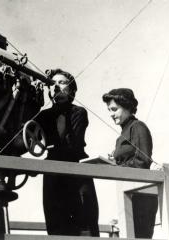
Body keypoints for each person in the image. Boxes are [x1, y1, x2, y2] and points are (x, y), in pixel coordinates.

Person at [35, 69, 99, 236]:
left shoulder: (78, 112)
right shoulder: (43, 116)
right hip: (53, 178)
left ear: (71, 90)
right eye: (52, 83)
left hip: (77, 175)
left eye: (62, 83)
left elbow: (74, 145)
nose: (56, 86)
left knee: (85, 226)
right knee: (56, 227)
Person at [102, 88, 158, 239]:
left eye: (114, 109)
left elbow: (143, 161)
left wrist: (117, 166)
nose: (111, 114)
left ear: (126, 106)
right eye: (109, 110)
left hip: (141, 196)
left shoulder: (138, 127)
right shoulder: (122, 134)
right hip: (128, 193)